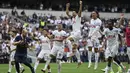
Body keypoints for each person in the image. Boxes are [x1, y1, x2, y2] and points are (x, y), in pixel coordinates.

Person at [66, 0, 82, 67]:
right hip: (74, 34)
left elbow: (80, 11)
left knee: (67, 40)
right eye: (72, 12)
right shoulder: (72, 19)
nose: (72, 13)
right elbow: (67, 13)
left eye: (74, 12)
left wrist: (81, 4)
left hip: (77, 33)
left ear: (76, 13)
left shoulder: (78, 17)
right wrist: (67, 7)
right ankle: (79, 61)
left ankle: (70, 52)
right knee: (75, 48)